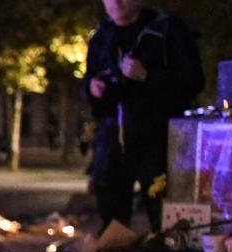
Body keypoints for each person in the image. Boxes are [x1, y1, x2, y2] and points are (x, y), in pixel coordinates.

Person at [83, 0, 203, 230]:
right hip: (112, 148)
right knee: (112, 224)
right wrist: (91, 88)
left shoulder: (167, 30)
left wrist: (147, 75)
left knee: (165, 221)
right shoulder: (101, 37)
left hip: (158, 144)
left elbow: (194, 80)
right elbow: (89, 81)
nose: (115, 3)